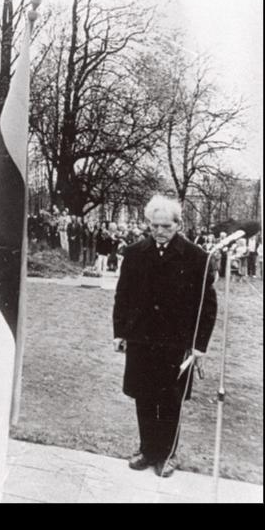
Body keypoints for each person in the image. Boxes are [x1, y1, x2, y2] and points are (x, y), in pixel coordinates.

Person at [113, 195, 217, 478]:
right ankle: (147, 450)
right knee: (144, 396)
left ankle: (168, 455)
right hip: (142, 340)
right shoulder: (134, 253)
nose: (159, 231)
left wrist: (199, 346)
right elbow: (123, 295)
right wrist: (120, 332)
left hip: (177, 344)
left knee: (171, 399)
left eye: (166, 226)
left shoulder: (197, 257)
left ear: (178, 225)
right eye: (154, 226)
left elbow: (208, 306)